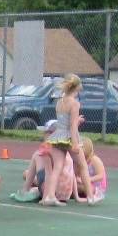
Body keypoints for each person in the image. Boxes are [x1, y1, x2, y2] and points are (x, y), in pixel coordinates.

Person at [43, 75, 82, 206]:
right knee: (81, 164)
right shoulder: (75, 103)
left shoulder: (59, 102)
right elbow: (72, 125)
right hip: (67, 137)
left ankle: (50, 195)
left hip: (57, 136)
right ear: (76, 88)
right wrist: (75, 143)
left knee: (57, 167)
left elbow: (62, 121)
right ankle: (88, 196)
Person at [77, 139, 107, 204]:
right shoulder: (79, 160)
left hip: (97, 187)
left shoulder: (94, 159)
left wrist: (87, 180)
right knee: (74, 185)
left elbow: (100, 176)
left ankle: (95, 195)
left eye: (81, 148)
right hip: (85, 183)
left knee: (82, 187)